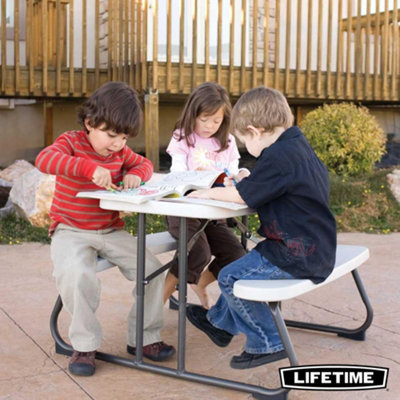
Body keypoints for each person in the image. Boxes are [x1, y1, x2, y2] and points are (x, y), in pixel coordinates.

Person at [185, 86, 337, 369]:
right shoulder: (294, 146)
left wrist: (207, 193)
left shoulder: (278, 158)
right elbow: (267, 186)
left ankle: (268, 343)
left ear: (254, 131)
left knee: (231, 277)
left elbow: (244, 196)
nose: (246, 148)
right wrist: (246, 179)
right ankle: (220, 325)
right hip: (311, 245)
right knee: (243, 266)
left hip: (297, 253)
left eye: (244, 141)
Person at [35, 82, 175, 377]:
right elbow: (44, 159)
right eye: (111, 135)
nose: (117, 144)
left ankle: (143, 338)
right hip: (70, 230)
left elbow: (145, 164)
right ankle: (84, 345)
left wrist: (136, 174)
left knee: (153, 271)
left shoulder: (121, 154)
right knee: (77, 274)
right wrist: (86, 168)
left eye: (123, 138)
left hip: (111, 231)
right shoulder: (71, 142)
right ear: (89, 123)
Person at [164, 82, 247, 309]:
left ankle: (200, 283)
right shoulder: (183, 137)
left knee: (236, 254)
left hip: (214, 214)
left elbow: (232, 170)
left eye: (216, 121)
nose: (210, 126)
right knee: (198, 252)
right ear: (193, 114)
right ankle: (155, 304)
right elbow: (177, 174)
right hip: (185, 211)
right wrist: (196, 176)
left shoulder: (227, 141)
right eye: (204, 119)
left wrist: (238, 176)